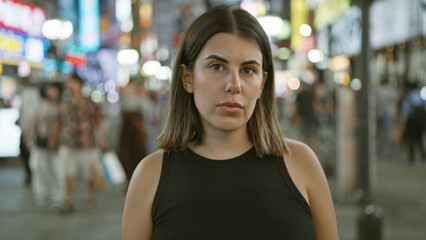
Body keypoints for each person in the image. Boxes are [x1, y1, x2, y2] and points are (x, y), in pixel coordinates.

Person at [122, 4, 338, 240]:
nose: (233, 84)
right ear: (187, 78)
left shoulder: (302, 164)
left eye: (248, 70)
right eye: (217, 66)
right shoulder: (150, 177)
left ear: (262, 84)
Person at [50, 74, 107, 213]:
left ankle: (91, 197)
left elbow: (98, 120)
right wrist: (53, 138)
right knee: (68, 173)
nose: (68, 84)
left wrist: (103, 137)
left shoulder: (89, 103)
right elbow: (58, 122)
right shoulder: (65, 103)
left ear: (78, 84)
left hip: (87, 144)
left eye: (71, 82)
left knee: (89, 174)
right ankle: (69, 200)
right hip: (69, 144)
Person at [25, 83, 61, 206]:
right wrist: (29, 135)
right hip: (40, 141)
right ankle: (41, 193)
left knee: (55, 168)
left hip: (56, 143)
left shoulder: (60, 107)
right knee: (38, 167)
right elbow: (34, 122)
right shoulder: (41, 106)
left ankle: (56, 193)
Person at [400, 81, 426, 163]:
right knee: (420, 138)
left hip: (411, 122)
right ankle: (423, 153)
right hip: (421, 121)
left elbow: (405, 112)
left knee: (410, 139)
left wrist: (402, 125)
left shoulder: (408, 97)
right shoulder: (422, 96)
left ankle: (412, 156)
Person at [376, 78, 398, 154]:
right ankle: (385, 146)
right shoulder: (390, 90)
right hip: (389, 113)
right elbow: (396, 99)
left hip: (380, 112)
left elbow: (376, 102)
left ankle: (379, 144)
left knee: (377, 130)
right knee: (386, 131)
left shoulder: (379, 90)